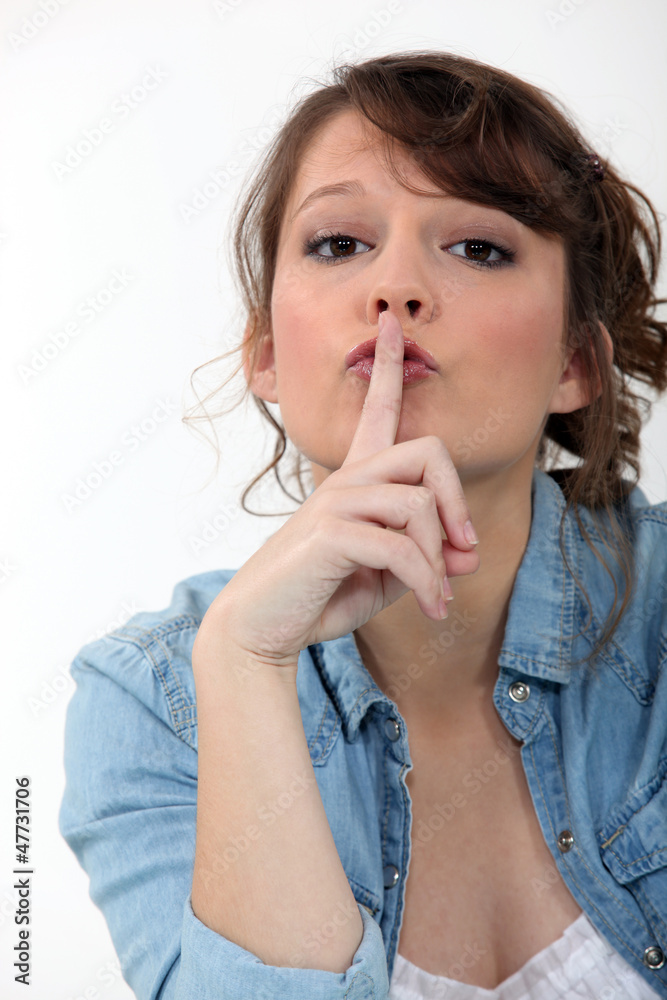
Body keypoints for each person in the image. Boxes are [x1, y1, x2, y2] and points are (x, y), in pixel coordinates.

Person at [60, 50, 667, 999]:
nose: (395, 289)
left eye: (478, 248)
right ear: (266, 353)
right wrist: (246, 664)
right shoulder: (148, 704)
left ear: (573, 365)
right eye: (339, 243)